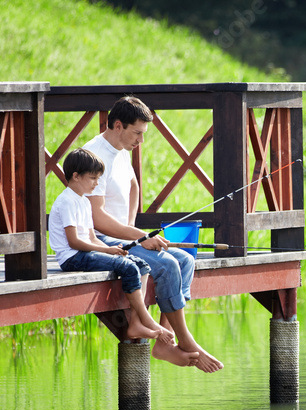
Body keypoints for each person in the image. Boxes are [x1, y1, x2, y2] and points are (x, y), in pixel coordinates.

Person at [82, 96, 223, 373]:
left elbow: (133, 185)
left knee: (184, 260)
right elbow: (96, 218)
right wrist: (138, 236)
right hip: (101, 240)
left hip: (124, 237)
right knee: (168, 264)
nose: (141, 142)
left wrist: (132, 228)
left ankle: (162, 341)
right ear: (118, 125)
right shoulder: (94, 156)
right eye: (137, 133)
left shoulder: (121, 149)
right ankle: (185, 341)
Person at [49, 148, 174, 345]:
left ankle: (136, 321)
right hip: (72, 257)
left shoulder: (83, 202)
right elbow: (74, 242)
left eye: (98, 178)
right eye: (92, 178)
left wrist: (116, 248)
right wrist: (107, 250)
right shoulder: (66, 201)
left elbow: (91, 237)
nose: (97, 183)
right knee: (128, 267)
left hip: (86, 251)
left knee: (141, 264)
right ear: (76, 176)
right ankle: (144, 320)